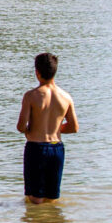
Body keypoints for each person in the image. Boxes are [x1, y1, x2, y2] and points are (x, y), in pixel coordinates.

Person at [16, 53, 79, 205]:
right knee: (52, 198)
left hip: (36, 148)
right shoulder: (66, 96)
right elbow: (74, 127)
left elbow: (20, 126)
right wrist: (56, 127)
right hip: (56, 149)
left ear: (37, 72)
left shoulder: (31, 96)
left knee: (35, 200)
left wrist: (29, 130)